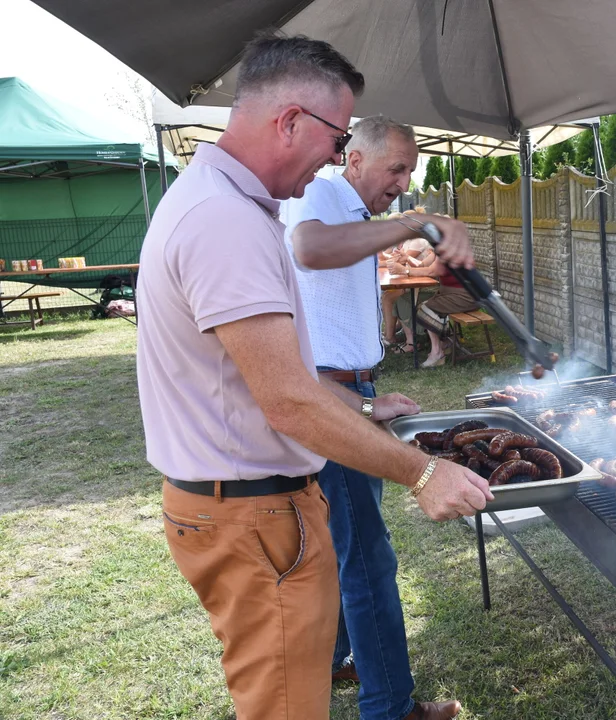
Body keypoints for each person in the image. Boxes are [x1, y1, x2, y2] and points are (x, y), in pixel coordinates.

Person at [136, 33, 491, 720]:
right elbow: (289, 401)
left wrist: (356, 407)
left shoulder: (225, 204)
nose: (334, 161)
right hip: (249, 515)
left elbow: (263, 374)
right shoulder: (224, 221)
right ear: (292, 120)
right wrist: (422, 472)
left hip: (248, 508)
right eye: (335, 144)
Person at [280, 115, 460, 720]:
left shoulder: (353, 213)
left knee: (341, 545)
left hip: (346, 390)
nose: (403, 182)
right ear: (354, 160)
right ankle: (389, 708)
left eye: (410, 172)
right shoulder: (328, 189)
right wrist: (411, 224)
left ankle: (338, 658)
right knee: (369, 558)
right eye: (396, 168)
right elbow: (308, 249)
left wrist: (369, 397)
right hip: (330, 394)